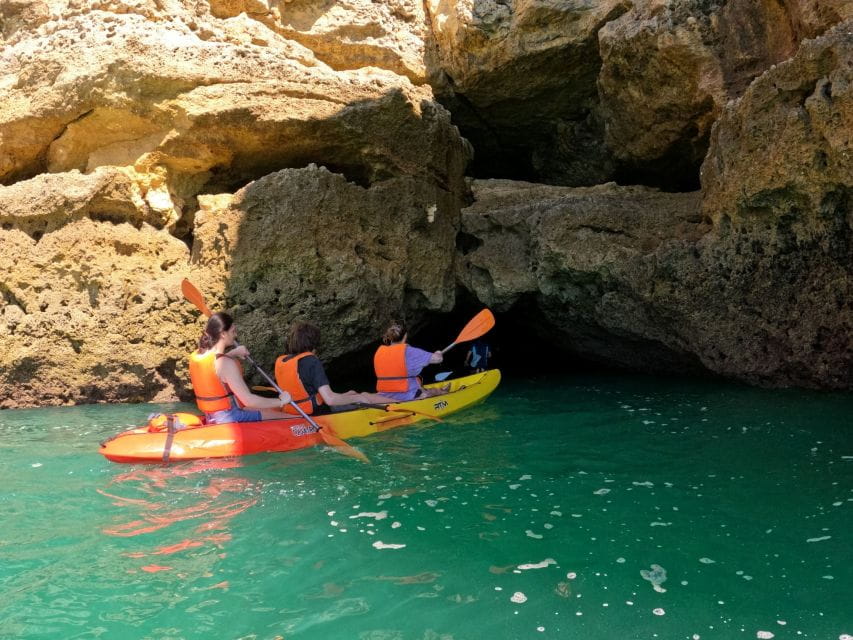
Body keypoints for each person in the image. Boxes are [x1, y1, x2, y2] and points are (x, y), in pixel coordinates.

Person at [188, 312, 291, 424]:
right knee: (289, 418)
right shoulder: (226, 364)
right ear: (223, 334)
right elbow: (249, 401)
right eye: (233, 331)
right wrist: (281, 401)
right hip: (230, 417)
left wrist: (233, 353)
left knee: (269, 410)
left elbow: (214, 368)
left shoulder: (198, 356)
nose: (235, 335)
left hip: (212, 417)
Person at [275, 322, 397, 415]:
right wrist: (358, 398)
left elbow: (310, 392)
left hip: (294, 411)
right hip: (317, 412)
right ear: (313, 343)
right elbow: (330, 400)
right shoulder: (311, 361)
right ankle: (400, 405)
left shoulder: (283, 361)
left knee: (351, 393)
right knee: (362, 397)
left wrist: (346, 395)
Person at [373, 321, 449, 402]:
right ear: (405, 336)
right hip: (407, 395)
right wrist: (438, 353)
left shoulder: (380, 353)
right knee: (432, 392)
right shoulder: (409, 351)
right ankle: (442, 392)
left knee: (423, 388)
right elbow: (438, 359)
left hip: (384, 394)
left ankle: (437, 391)